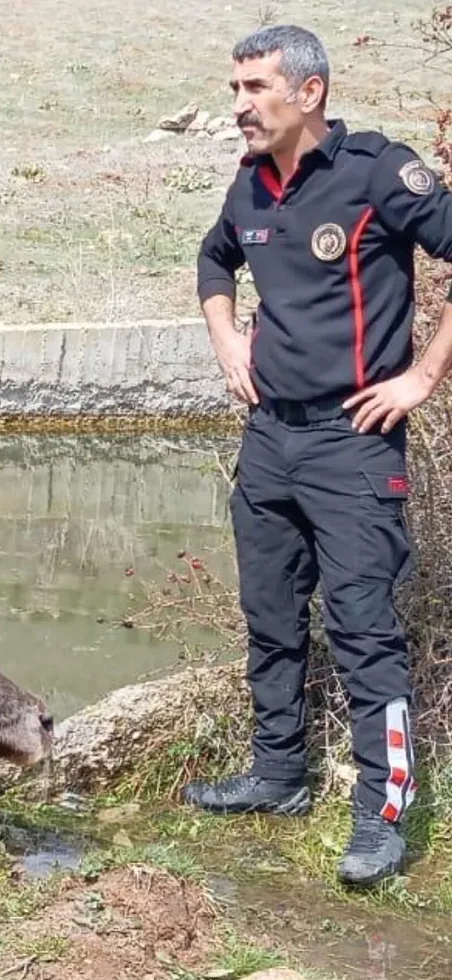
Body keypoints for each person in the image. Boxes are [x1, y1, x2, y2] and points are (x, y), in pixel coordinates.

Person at [186, 23, 452, 887]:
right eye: (235, 89)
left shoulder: (378, 171)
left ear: (310, 93)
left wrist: (422, 377)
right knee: (270, 614)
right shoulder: (250, 185)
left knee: (365, 633)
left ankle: (383, 817)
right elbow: (214, 259)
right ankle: (278, 774)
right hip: (269, 441)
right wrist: (226, 337)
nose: (238, 107)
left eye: (254, 89)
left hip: (355, 442)